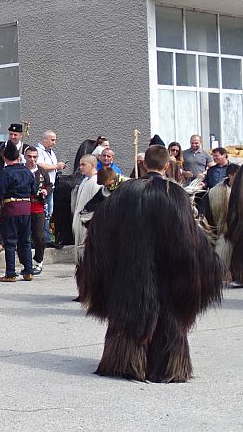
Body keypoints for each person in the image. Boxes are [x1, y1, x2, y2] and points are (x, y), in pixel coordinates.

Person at [76, 144, 223, 382]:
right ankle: (168, 366)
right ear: (167, 165)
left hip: (130, 269)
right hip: (169, 270)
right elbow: (190, 238)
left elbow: (100, 228)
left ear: (144, 164)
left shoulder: (125, 192)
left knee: (129, 312)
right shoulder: (175, 195)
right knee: (169, 313)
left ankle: (125, 362)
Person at [0, 142, 36, 282]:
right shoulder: (27, 172)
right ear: (18, 156)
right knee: (25, 241)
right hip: (26, 209)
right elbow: (34, 190)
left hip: (10, 209)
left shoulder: (4, 173)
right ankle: (28, 271)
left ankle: (10, 273)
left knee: (10, 242)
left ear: (5, 157)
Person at [0, 123, 27, 253]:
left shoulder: (25, 148)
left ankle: (14, 241)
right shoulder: (2, 145)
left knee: (12, 212)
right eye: (10, 134)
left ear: (20, 135)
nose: (13, 136)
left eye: (15, 134)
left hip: (15, 184)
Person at [23, 147, 51, 275]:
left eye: (35, 157)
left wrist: (47, 191)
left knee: (39, 236)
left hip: (38, 207)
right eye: (29, 156)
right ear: (25, 156)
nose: (32, 159)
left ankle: (38, 261)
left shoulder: (42, 171)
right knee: (23, 237)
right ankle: (26, 263)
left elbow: (50, 185)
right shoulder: (21, 170)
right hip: (23, 207)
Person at [35, 130, 66, 245]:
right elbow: (40, 165)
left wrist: (58, 167)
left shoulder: (50, 152)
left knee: (48, 213)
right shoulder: (38, 151)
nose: (54, 142)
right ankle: (45, 239)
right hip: (42, 186)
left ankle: (46, 237)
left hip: (50, 186)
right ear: (45, 139)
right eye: (52, 140)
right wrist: (55, 166)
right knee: (44, 213)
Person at [71, 154, 101, 260]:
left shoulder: (97, 182)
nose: (80, 167)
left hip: (88, 226)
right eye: (80, 165)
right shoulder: (85, 180)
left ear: (92, 165)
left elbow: (96, 208)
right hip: (79, 224)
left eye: (83, 164)